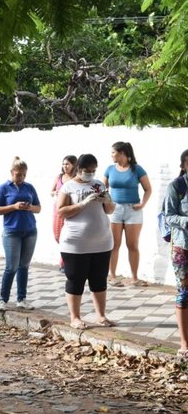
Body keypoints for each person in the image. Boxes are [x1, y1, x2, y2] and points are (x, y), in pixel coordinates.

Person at [57, 154, 116, 329]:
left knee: (99, 279)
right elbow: (61, 211)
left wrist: (108, 200)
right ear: (78, 169)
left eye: (93, 170)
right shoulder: (68, 187)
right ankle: (75, 317)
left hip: (102, 241)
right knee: (76, 279)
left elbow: (110, 210)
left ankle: (101, 315)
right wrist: (83, 204)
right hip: (75, 243)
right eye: (86, 170)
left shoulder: (98, 184)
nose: (90, 174)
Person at [0, 156, 41, 312]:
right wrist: (13, 206)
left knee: (24, 266)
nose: (20, 177)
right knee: (11, 266)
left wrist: (29, 207)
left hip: (30, 230)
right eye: (18, 174)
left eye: (23, 175)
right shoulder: (4, 188)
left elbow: (38, 208)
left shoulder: (29, 187)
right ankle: (3, 299)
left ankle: (22, 298)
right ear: (11, 172)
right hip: (11, 231)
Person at [103, 141, 152, 287]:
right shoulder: (110, 169)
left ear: (122, 153)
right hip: (115, 210)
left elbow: (148, 189)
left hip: (133, 211)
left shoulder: (137, 169)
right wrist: (107, 204)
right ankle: (112, 276)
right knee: (114, 244)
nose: (111, 155)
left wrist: (143, 204)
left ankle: (135, 278)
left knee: (132, 245)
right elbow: (102, 189)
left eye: (113, 152)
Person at [164, 150, 188, 358]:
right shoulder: (177, 186)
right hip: (183, 247)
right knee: (184, 293)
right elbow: (169, 216)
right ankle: (184, 343)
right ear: (184, 165)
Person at [51, 155, 78, 271]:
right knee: (58, 236)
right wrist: (56, 193)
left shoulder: (76, 178)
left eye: (67, 164)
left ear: (74, 165)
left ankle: (65, 263)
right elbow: (51, 191)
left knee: (68, 236)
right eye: (63, 164)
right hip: (57, 208)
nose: (65, 166)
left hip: (70, 208)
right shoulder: (59, 177)